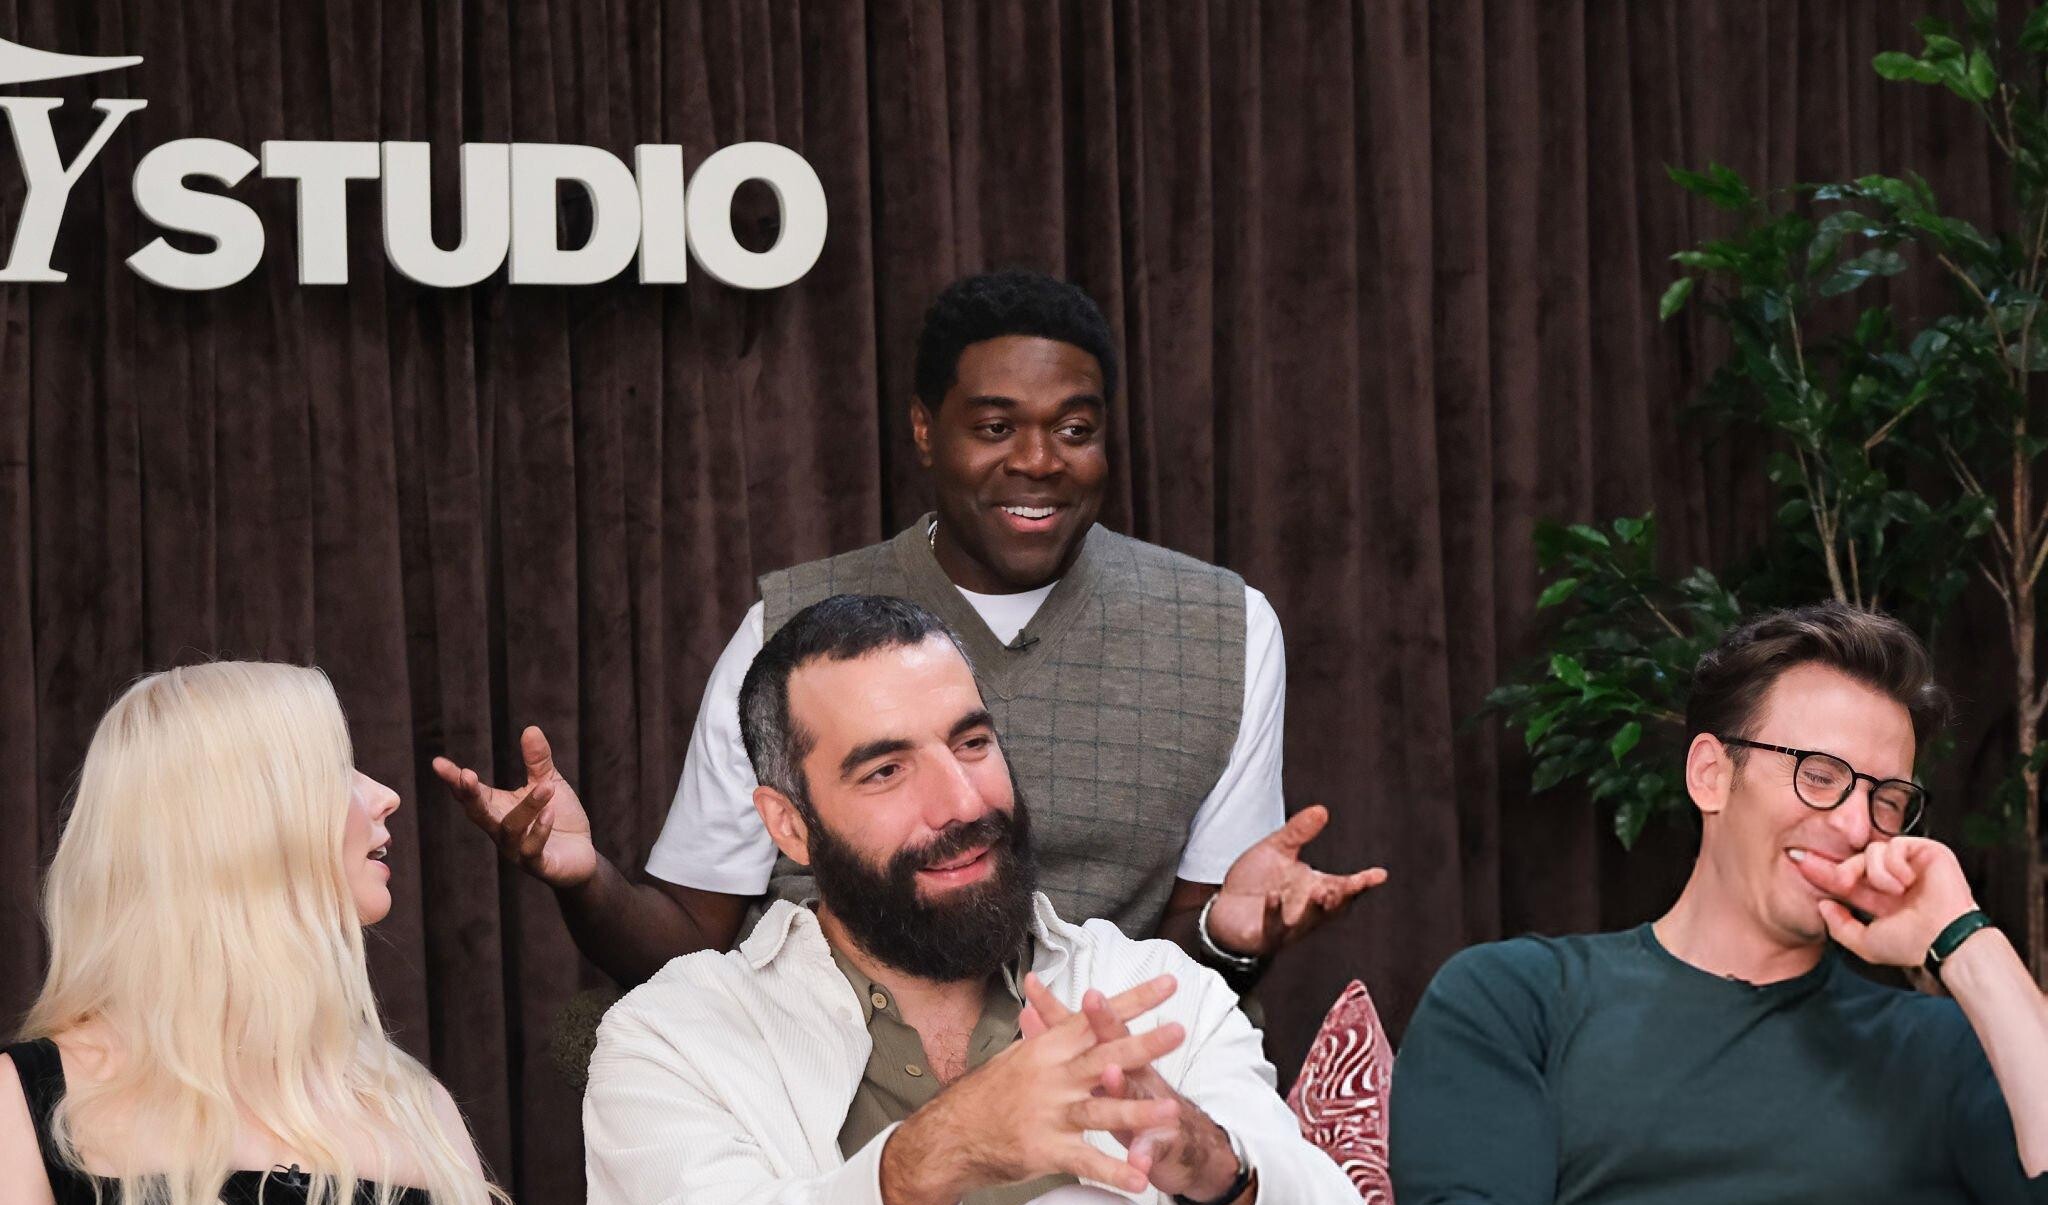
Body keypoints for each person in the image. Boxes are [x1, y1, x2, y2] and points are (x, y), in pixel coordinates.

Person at [433, 268, 1385, 989]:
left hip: (1088, 1101)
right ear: (927, 431)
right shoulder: (788, 628)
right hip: (823, 1102)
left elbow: (1194, 959)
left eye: (1074, 429)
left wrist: (1229, 937)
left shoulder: (1222, 628)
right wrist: (581, 876)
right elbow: (689, 945)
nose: (1039, 461)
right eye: (996, 427)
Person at [566, 595, 1375, 1205]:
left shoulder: (1152, 990)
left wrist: (1213, 1172)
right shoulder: (674, 1034)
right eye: (886, 771)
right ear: (791, 826)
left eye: (972, 744)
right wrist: (934, 1155)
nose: (960, 801)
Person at [1390, 604, 2048, 1205]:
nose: (1859, 826)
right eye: (1820, 774)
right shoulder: (1515, 994)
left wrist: (1967, 942)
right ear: (1710, 774)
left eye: (1887, 798)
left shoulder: (1937, 1046)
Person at [0, 663, 533, 1205]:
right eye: (335, 768)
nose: (386, 794)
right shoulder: (25, 1101)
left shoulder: (412, 1103)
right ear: (240, 819)